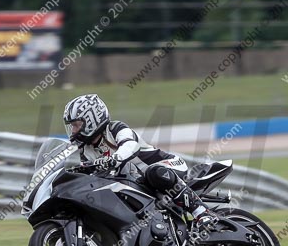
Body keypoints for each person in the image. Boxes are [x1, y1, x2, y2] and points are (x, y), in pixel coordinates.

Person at [63, 93, 218, 231]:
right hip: (136, 183)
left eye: (76, 125)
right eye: (72, 126)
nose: (73, 130)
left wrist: (114, 159)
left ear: (92, 119)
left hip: (166, 166)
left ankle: (201, 212)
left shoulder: (114, 128)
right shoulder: (85, 150)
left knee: (154, 173)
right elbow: (89, 175)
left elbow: (130, 145)